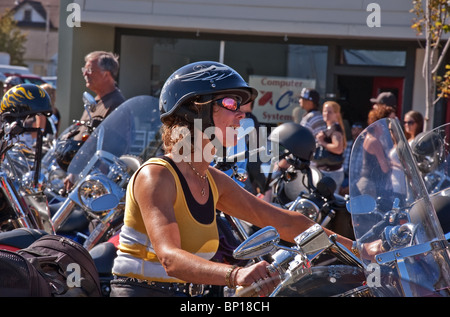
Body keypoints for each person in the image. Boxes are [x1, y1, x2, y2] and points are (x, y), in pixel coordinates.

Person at [110, 61, 356, 297]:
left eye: (241, 105)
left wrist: (359, 251)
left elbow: (287, 223)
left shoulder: (211, 180)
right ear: (197, 109)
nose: (242, 114)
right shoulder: (157, 175)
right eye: (231, 103)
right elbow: (170, 258)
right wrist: (237, 274)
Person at [63, 51, 126, 190]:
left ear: (106, 74)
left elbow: (111, 151)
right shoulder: (95, 101)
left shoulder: (116, 105)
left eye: (90, 70)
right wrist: (73, 174)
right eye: (84, 69)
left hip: (92, 185)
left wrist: (93, 184)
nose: (85, 73)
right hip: (79, 179)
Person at [315, 101, 347, 192]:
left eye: (330, 112)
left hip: (331, 173)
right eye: (324, 111)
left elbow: (338, 148)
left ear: (336, 114)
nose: (326, 114)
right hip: (328, 172)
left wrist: (322, 142)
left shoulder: (335, 129)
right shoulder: (330, 128)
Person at [339, 122, 364, 196]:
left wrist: (350, 187)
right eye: (354, 130)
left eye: (359, 130)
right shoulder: (347, 144)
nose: (356, 132)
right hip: (343, 177)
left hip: (357, 181)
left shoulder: (365, 147)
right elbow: (340, 165)